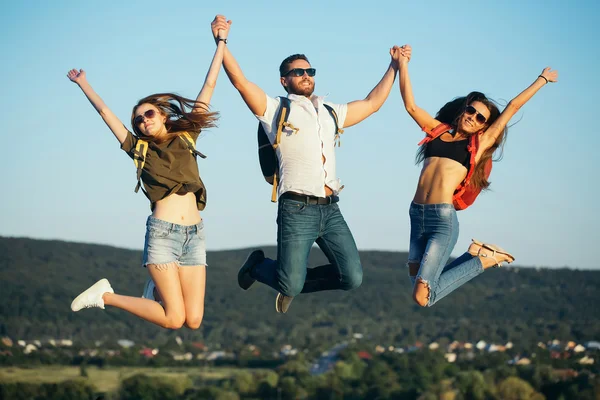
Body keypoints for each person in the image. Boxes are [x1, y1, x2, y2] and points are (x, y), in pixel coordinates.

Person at [211, 15, 406, 313]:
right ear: (284, 79)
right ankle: (259, 267)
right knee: (290, 284)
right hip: (296, 208)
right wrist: (222, 41)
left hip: (331, 208)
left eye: (310, 70)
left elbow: (371, 104)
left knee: (351, 277)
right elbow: (240, 82)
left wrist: (393, 66)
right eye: (298, 71)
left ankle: (291, 281)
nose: (306, 75)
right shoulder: (276, 109)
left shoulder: (329, 111)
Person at [67, 19, 231, 329]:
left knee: (193, 321)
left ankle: (154, 290)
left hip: (195, 235)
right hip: (163, 234)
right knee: (174, 319)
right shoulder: (137, 147)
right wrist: (84, 83)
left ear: (164, 115)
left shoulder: (186, 136)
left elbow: (208, 86)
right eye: (138, 119)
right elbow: (105, 113)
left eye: (149, 113)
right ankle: (105, 296)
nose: (143, 120)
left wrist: (220, 41)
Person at [393, 44, 558, 307]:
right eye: (471, 110)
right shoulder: (437, 130)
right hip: (416, 213)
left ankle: (483, 260)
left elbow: (512, 107)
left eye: (481, 118)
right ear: (464, 108)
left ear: (484, 125)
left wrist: (541, 80)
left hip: (441, 220)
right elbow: (410, 106)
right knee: (417, 284)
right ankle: (474, 255)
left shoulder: (478, 145)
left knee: (423, 298)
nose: (474, 117)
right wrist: (402, 64)